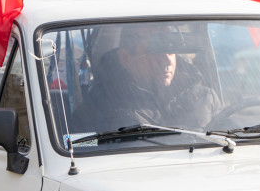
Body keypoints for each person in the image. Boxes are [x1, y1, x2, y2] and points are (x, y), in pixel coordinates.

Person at [81, 24, 219, 130]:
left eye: (171, 48)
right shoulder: (99, 109)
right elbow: (80, 145)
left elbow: (228, 139)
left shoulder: (204, 98)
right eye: (155, 50)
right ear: (125, 58)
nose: (166, 59)